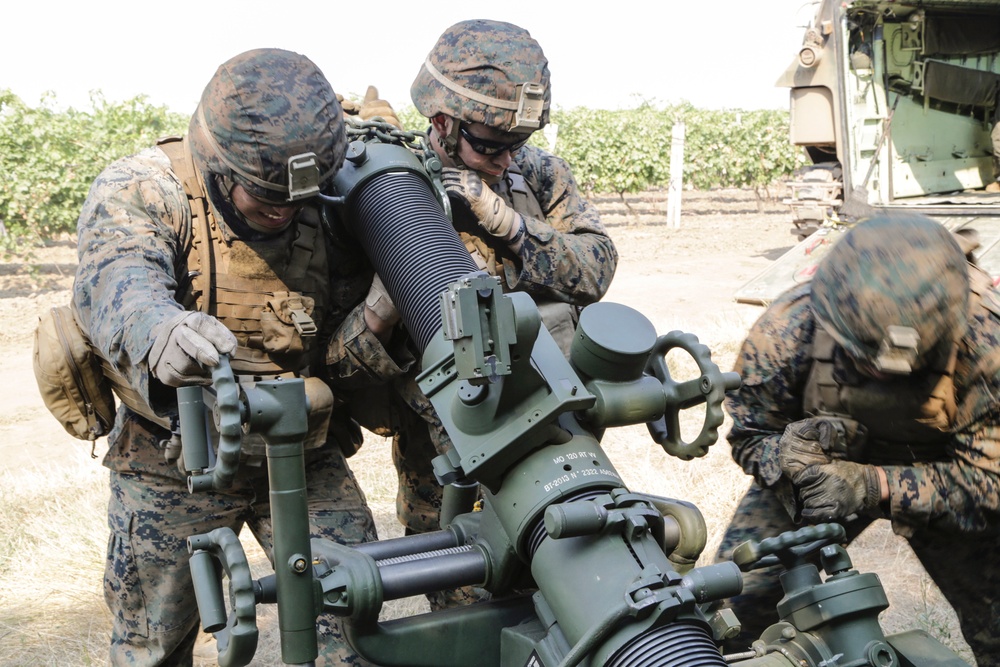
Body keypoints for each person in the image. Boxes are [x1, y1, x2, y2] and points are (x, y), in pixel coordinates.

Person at [72, 48, 412, 665]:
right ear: (216, 163)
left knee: (353, 617)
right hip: (174, 458)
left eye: (295, 199)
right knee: (154, 642)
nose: (284, 212)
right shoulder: (147, 188)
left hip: (302, 450)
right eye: (265, 198)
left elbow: (335, 360)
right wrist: (160, 332)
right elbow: (117, 281)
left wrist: (377, 314)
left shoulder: (323, 199)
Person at [713, 213, 1000, 662]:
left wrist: (872, 485)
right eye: (863, 358)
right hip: (819, 476)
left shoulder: (990, 343)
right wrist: (789, 459)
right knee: (729, 604)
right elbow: (751, 435)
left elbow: (989, 484)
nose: (881, 374)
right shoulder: (789, 327)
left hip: (945, 474)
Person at [380, 19, 618, 550]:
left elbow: (597, 267)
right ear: (443, 122)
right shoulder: (390, 189)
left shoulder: (536, 176)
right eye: (491, 146)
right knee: (458, 590)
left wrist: (510, 225)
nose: (506, 158)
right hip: (446, 448)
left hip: (553, 426)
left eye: (519, 142)